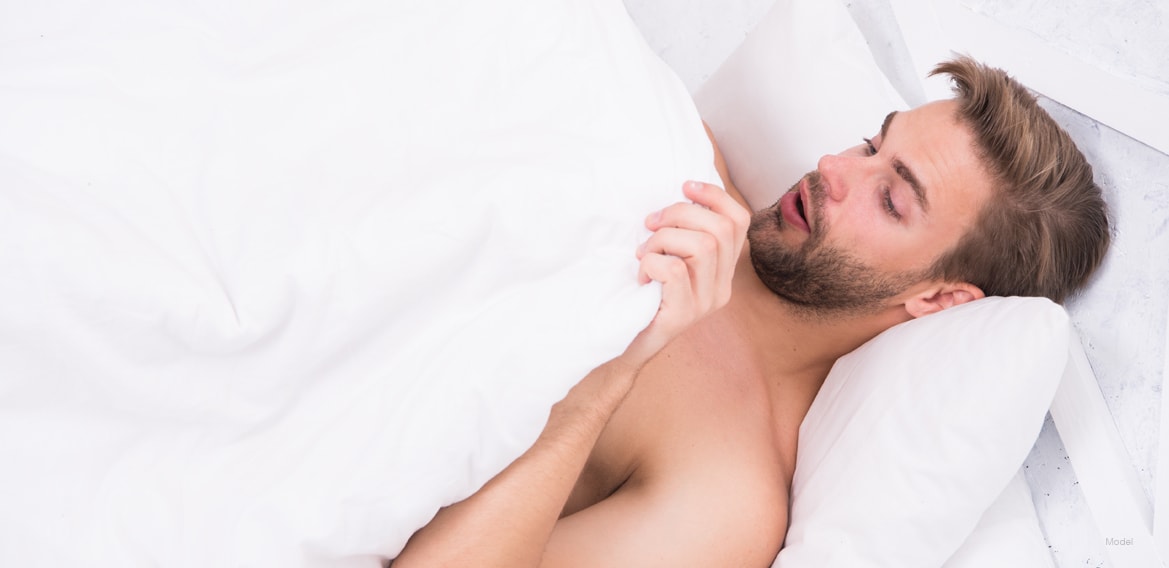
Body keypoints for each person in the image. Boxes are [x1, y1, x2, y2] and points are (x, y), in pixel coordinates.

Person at [392, 55, 1110, 567]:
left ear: (938, 299)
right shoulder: (685, 155)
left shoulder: (728, 498)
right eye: (870, 144)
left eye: (890, 198)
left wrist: (614, 371)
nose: (834, 169)